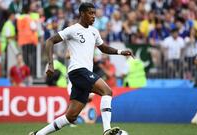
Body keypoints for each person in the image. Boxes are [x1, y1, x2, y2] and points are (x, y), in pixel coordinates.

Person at [29, 2, 133, 135]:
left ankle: (38, 134)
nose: (94, 16)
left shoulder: (94, 32)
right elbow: (50, 41)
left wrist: (120, 52)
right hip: (78, 71)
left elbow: (103, 48)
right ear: (82, 14)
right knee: (107, 91)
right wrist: (50, 63)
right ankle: (107, 130)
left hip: (85, 73)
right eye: (90, 13)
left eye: (94, 13)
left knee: (70, 116)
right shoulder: (72, 29)